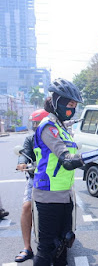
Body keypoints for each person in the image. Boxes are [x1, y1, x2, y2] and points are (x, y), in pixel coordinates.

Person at [32, 78, 98, 266]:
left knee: (64, 242)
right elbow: (67, 161)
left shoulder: (62, 127)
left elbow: (75, 158)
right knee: (47, 249)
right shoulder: (48, 126)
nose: (72, 109)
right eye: (69, 105)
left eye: (75, 105)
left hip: (65, 195)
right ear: (55, 102)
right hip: (48, 195)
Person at [14, 109, 48, 262]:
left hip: (55, 180)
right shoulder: (30, 139)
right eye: (34, 124)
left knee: (67, 204)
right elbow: (24, 153)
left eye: (37, 123)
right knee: (27, 206)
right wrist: (22, 163)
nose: (35, 127)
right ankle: (27, 247)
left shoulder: (55, 136)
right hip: (35, 178)